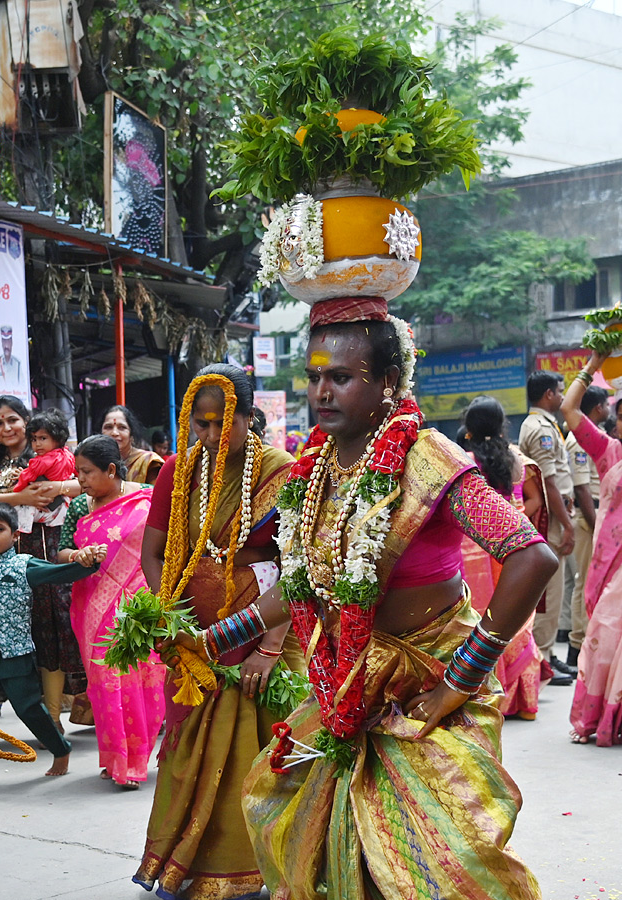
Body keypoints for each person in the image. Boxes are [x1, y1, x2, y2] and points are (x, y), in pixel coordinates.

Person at [166, 304, 556, 899]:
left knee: (428, 865)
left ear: (386, 383)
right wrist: (210, 639)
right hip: (346, 677)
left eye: (341, 377)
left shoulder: (430, 460)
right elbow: (302, 585)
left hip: (428, 683)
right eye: (315, 376)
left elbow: (533, 558)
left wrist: (462, 678)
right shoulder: (315, 468)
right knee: (326, 842)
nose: (323, 391)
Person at [133, 363, 300, 898]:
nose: (208, 436)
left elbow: (300, 570)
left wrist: (270, 649)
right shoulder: (178, 471)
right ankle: (189, 863)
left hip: (262, 630)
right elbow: (153, 553)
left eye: (220, 422)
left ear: (249, 417)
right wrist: (171, 619)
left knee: (263, 751)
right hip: (193, 633)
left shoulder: (282, 472)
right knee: (189, 752)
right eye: (199, 423)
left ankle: (265, 868)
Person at [0, 502, 103, 792]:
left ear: (14, 535)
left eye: (0, 529)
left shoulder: (25, 564)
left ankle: (60, 749)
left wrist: (89, 564)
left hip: (16, 653)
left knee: (29, 710)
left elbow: (58, 574)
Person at [56, 435, 164, 789]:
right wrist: (76, 556)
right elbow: (61, 550)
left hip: (137, 607)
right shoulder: (78, 508)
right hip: (93, 606)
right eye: (77, 473)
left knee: (139, 682)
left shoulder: (147, 497)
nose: (81, 480)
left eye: (87, 472)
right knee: (104, 684)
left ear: (112, 470)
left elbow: (166, 545)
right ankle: (114, 757)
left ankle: (134, 762)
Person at [0, 396, 84, 733]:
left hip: (45, 546)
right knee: (12, 625)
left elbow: (84, 483)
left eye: (13, 420)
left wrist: (57, 487)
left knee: (51, 620)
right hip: (5, 554)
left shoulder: (49, 455)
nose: (6, 428)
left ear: (27, 422)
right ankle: (10, 714)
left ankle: (51, 716)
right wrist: (19, 498)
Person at [459, 395, 553, 717]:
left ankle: (492, 697)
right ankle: (524, 702)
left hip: (478, 552)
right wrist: (516, 515)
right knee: (516, 620)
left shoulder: (467, 459)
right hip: (515, 546)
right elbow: (531, 500)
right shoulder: (515, 460)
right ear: (501, 426)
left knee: (484, 618)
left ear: (469, 427)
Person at [562, 353, 622, 745]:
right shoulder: (608, 452)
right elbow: (568, 407)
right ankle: (599, 716)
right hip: (612, 566)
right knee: (606, 635)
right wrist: (596, 360)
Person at [519, 369, 577, 679]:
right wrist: (567, 525)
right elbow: (549, 484)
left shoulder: (546, 425)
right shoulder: (538, 428)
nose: (563, 395)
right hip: (550, 518)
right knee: (550, 593)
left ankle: (549, 654)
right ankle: (544, 656)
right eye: (560, 390)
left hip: (558, 513)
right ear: (548, 395)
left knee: (555, 591)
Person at [565, 384, 607, 671]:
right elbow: (581, 488)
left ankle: (583, 640)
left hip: (596, 513)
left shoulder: (593, 436)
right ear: (596, 408)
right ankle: (577, 644)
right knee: (584, 581)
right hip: (587, 516)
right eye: (605, 405)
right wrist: (597, 525)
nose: (607, 409)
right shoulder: (579, 440)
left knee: (589, 581)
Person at [14, 408, 77, 528]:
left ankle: (21, 530)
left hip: (46, 507)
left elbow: (28, 476)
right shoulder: (68, 455)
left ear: (57, 438)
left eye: (43, 438)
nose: (37, 444)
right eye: (33, 439)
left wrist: (18, 493)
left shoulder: (42, 461)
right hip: (65, 505)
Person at [101, 405, 164, 485]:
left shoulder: (147, 462)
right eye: (108, 427)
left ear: (131, 433)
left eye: (122, 427)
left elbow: (157, 494)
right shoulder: (94, 463)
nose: (114, 433)